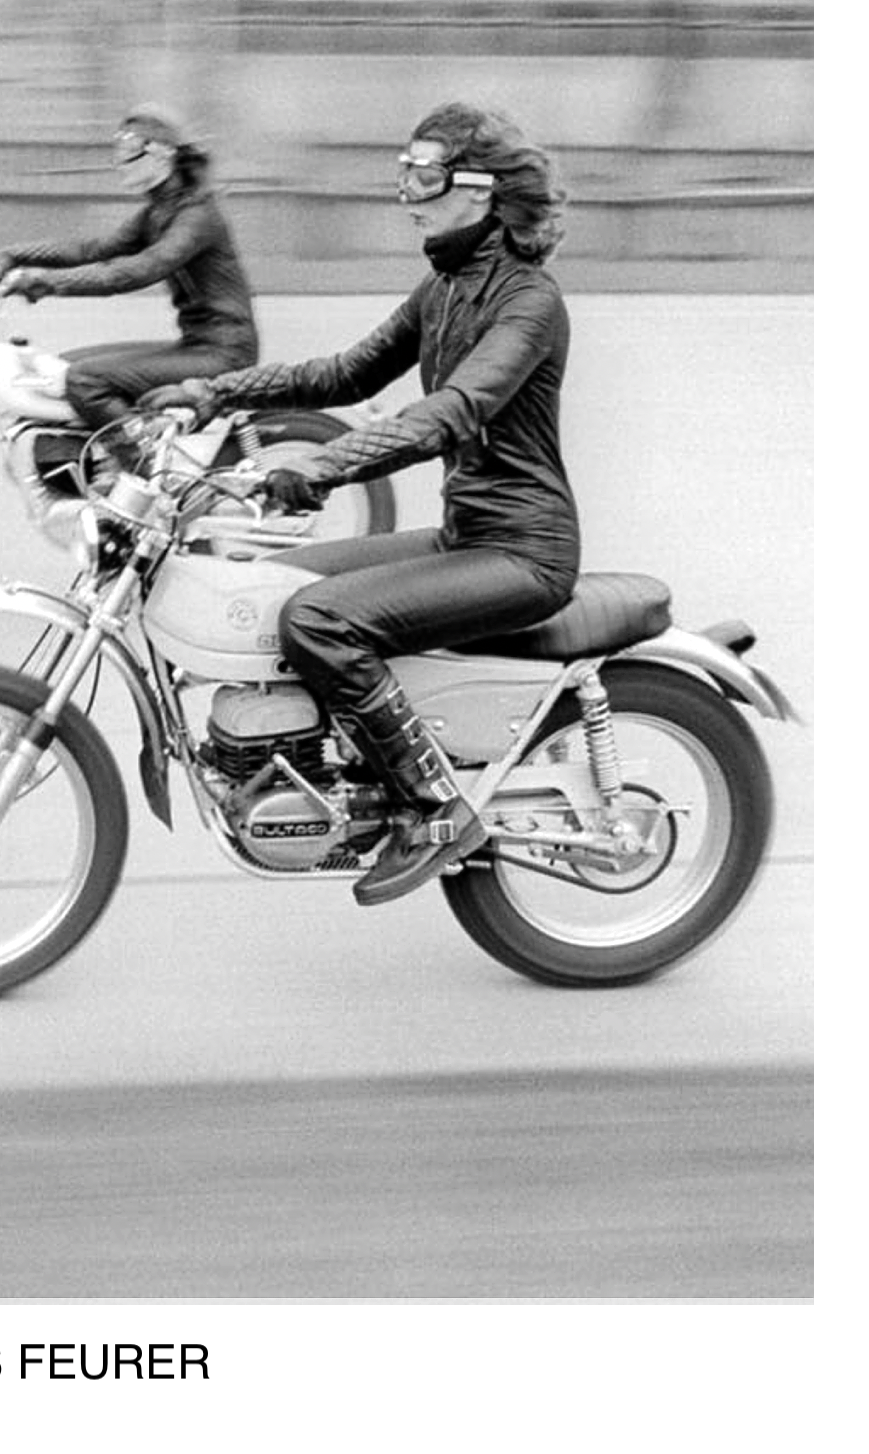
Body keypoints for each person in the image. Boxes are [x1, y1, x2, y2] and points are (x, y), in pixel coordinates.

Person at [143, 101, 577, 906]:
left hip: (524, 552)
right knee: (285, 584)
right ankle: (330, 773)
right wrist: (213, 393)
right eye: (404, 172)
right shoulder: (444, 288)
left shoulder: (528, 302)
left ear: (479, 190)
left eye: (425, 174)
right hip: (466, 534)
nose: (408, 193)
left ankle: (432, 809)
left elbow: (450, 412)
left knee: (321, 621)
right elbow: (344, 373)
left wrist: (324, 466)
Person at [0, 104, 259, 469]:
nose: (120, 161)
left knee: (85, 381)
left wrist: (46, 283)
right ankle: (87, 469)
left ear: (161, 154)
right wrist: (14, 255)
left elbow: (138, 270)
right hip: (197, 344)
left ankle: (145, 470)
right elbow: (93, 250)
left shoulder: (197, 216)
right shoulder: (158, 212)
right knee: (67, 366)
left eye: (130, 149)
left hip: (224, 353)